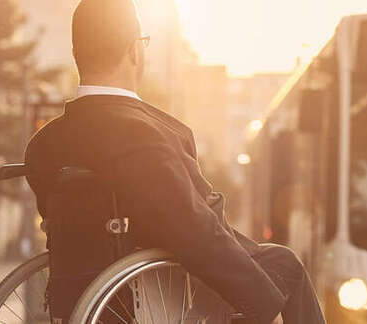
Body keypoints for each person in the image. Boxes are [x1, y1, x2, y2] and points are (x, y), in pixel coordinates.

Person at [22, 1, 326, 323]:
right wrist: (263, 304)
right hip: (153, 293)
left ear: (77, 53)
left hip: (79, 291)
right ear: (135, 51)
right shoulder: (145, 132)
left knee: (270, 263)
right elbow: (191, 229)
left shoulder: (43, 146)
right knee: (285, 266)